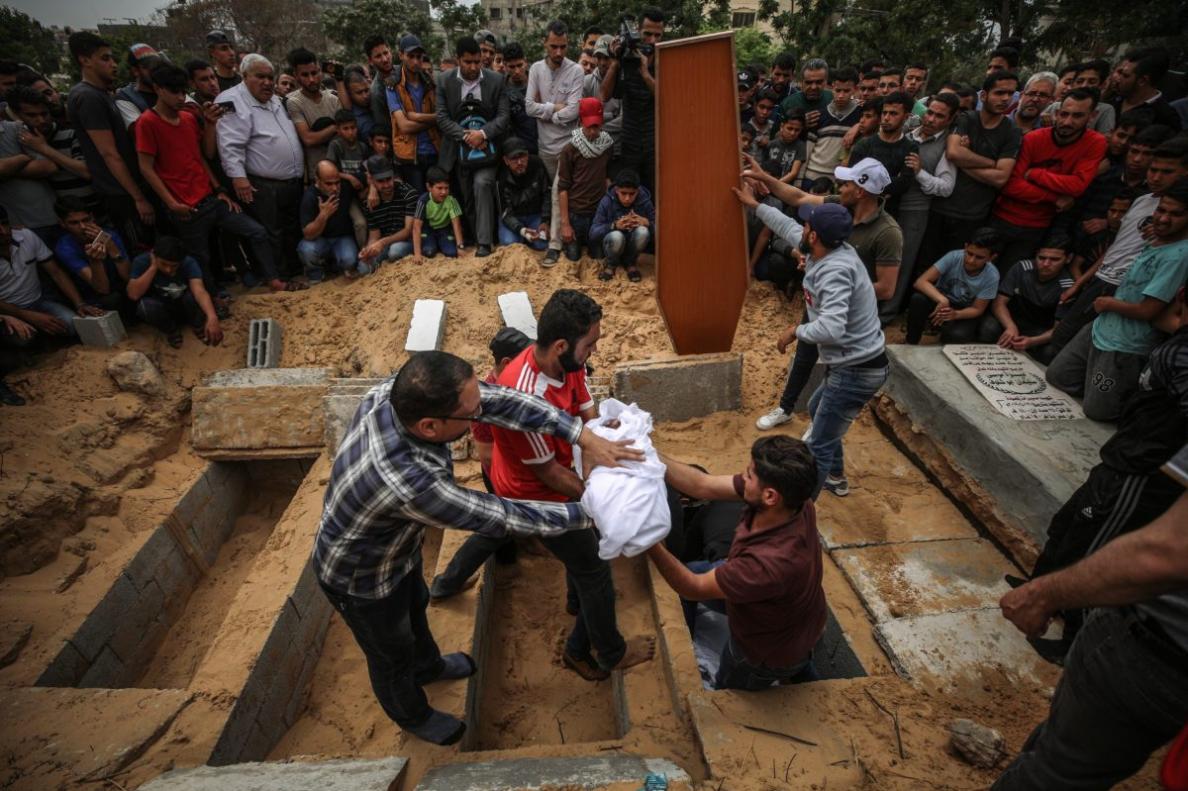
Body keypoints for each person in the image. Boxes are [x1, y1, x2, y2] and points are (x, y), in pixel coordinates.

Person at [313, 349, 642, 745]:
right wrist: (593, 512)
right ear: (430, 427)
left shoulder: (394, 395)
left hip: (397, 550)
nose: (480, 414)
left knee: (416, 605)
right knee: (391, 652)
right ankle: (414, 714)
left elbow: (503, 401)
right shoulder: (409, 482)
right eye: (470, 415)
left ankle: (429, 666)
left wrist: (580, 434)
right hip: (359, 576)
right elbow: (500, 516)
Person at [489, 290, 656, 680]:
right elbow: (548, 474)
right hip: (534, 494)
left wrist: (603, 436)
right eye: (590, 345)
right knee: (595, 571)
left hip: (559, 469)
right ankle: (602, 652)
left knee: (583, 557)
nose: (593, 352)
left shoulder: (569, 363)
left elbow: (586, 415)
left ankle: (576, 601)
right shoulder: (524, 398)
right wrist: (600, 500)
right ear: (561, 345)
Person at [735, 176, 888, 497]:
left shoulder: (835, 271)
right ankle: (836, 478)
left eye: (807, 226)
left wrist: (795, 330)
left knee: (818, 443)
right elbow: (787, 227)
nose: (802, 228)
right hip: (850, 364)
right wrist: (755, 206)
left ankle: (800, 513)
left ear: (815, 235)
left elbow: (831, 328)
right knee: (820, 412)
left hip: (857, 370)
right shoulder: (828, 249)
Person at [649, 435, 825, 690]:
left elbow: (693, 587)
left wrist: (649, 542)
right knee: (795, 652)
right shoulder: (796, 502)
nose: (743, 477)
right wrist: (648, 452)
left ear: (770, 496)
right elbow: (702, 485)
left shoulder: (764, 566)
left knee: (733, 687)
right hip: (797, 619)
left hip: (762, 652)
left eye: (749, 475)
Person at [138, 63, 290, 294]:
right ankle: (213, 298)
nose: (180, 97)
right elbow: (146, 168)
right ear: (158, 89)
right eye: (174, 92)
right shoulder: (147, 122)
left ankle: (273, 279)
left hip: (210, 197)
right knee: (200, 255)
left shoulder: (188, 118)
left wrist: (219, 189)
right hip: (185, 205)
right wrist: (171, 203)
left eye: (183, 91)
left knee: (256, 231)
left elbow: (203, 155)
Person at [1046, 180, 1188, 422]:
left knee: (1097, 411)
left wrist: (1108, 304)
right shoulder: (1154, 238)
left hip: (1127, 343)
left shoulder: (1179, 256)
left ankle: (1118, 395)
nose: (1164, 218)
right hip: (1102, 327)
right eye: (1161, 210)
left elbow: (1148, 310)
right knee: (1057, 376)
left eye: (1176, 214)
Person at [1051, 139, 1188, 354]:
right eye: (1153, 170)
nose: (1156, 177)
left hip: (1129, 292)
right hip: (1102, 279)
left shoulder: (1176, 227)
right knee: (1064, 338)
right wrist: (1081, 282)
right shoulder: (1142, 200)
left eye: (1167, 172)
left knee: (1098, 350)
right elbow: (1116, 248)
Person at [430, 327, 535, 600]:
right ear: (507, 363)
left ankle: (509, 557)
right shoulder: (484, 399)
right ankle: (447, 583)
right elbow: (487, 455)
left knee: (504, 532)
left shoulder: (514, 386)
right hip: (502, 475)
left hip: (517, 472)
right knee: (496, 529)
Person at [990, 88, 1107, 273]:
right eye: (1064, 114)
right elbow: (1011, 185)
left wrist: (1035, 174)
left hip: (1038, 227)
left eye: (1077, 116)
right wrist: (1055, 197)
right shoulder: (1033, 138)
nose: (1067, 122)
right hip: (1002, 217)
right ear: (1057, 112)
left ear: (1092, 116)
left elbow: (1077, 186)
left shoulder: (1095, 142)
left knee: (1010, 278)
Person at [216, 54, 306, 283]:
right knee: (271, 232)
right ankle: (278, 278)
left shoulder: (274, 99)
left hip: (290, 182)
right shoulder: (231, 100)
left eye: (270, 77)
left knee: (290, 229)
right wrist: (238, 177)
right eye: (260, 77)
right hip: (262, 183)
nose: (267, 82)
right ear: (244, 76)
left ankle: (294, 272)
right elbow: (230, 144)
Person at [920, 70, 1021, 270]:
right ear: (984, 95)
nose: (1005, 98)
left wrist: (965, 159)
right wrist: (991, 162)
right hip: (939, 208)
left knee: (954, 272)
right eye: (999, 92)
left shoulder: (1012, 132)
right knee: (923, 267)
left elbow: (1001, 178)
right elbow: (953, 153)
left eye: (1010, 93)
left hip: (973, 216)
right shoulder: (966, 118)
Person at [66, 32, 155, 251]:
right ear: (84, 60)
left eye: (112, 58)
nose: (113, 64)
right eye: (105, 58)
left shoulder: (103, 94)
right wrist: (138, 197)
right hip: (121, 194)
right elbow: (109, 153)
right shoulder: (87, 97)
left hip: (129, 189)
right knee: (143, 249)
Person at [882, 92, 958, 322]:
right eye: (930, 113)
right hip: (888, 204)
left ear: (950, 119)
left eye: (939, 116)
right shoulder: (908, 135)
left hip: (915, 211)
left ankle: (887, 313)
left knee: (901, 263)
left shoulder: (948, 146)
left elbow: (946, 188)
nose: (931, 119)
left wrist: (919, 172)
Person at [436, 37, 510, 257]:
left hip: (488, 149)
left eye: (477, 62)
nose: (474, 67)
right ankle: (473, 237)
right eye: (468, 62)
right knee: (466, 194)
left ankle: (485, 243)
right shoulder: (444, 80)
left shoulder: (496, 80)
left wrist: (483, 134)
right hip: (458, 151)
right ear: (458, 59)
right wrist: (467, 136)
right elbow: (442, 117)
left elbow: (503, 116)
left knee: (482, 183)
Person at [0, 205, 106, 341]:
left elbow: (56, 273)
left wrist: (80, 304)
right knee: (23, 338)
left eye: (5, 223)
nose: (3, 231)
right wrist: (25, 315)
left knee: (71, 325)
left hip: (38, 300)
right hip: (6, 311)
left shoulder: (26, 236)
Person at [526, 21, 584, 266]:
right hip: (544, 146)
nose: (558, 52)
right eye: (554, 46)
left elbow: (573, 112)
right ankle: (565, 237)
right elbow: (529, 107)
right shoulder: (536, 69)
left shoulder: (577, 70)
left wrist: (547, 112)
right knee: (554, 195)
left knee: (558, 191)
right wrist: (556, 108)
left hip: (567, 145)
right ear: (545, 44)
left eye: (563, 46)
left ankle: (554, 245)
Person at [978, 232, 1075, 364]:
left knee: (1049, 353)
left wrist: (1032, 341)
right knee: (987, 329)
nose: (1046, 264)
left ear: (1068, 259)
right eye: (1041, 258)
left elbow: (1058, 329)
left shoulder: (1068, 286)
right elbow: (999, 303)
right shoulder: (1021, 268)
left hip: (1038, 329)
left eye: (1054, 259)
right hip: (1012, 319)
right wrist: (1010, 326)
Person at [601, 6, 664, 194]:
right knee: (628, 195)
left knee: (656, 194)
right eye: (647, 34)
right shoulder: (626, 55)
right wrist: (615, 61)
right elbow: (604, 95)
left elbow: (667, 99)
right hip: (629, 142)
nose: (652, 40)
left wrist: (645, 73)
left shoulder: (666, 58)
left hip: (656, 144)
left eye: (658, 35)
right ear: (638, 30)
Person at [906, 227, 1001, 344]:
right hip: (941, 301)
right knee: (918, 299)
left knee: (956, 336)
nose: (971, 260)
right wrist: (942, 299)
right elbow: (920, 281)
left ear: (991, 258)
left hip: (964, 310)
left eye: (979, 257)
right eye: (969, 253)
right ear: (965, 247)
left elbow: (977, 309)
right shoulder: (954, 256)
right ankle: (911, 342)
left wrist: (956, 314)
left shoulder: (992, 276)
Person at [126, 235, 223, 348]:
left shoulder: (188, 262)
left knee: (192, 297)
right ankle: (172, 331)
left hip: (184, 304)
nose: (168, 269)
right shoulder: (141, 261)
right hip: (161, 308)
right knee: (145, 306)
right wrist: (153, 268)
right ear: (154, 256)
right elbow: (133, 294)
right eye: (163, 264)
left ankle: (198, 326)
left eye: (174, 266)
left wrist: (212, 317)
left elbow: (199, 291)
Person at [557, 98, 614, 261]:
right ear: (581, 122)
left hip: (598, 213)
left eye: (596, 126)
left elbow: (608, 178)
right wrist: (565, 224)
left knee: (598, 256)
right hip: (576, 213)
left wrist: (609, 210)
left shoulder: (607, 146)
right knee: (573, 257)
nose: (593, 132)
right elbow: (563, 188)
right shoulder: (570, 149)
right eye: (589, 127)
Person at [52, 196, 131, 314]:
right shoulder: (65, 248)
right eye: (74, 223)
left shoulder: (109, 235)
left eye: (86, 220)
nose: (83, 227)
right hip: (94, 296)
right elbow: (103, 289)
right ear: (62, 224)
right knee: (111, 300)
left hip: (121, 286)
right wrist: (95, 262)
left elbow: (128, 277)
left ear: (92, 217)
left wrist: (111, 247)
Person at [848, 90, 919, 213]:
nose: (886, 118)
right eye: (884, 113)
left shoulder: (910, 148)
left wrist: (868, 179)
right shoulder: (865, 144)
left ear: (906, 117)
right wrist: (889, 181)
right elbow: (852, 177)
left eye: (893, 113)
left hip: (888, 212)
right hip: (857, 209)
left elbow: (903, 184)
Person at [0, 100, 60, 244]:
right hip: (16, 228)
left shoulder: (15, 128)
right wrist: (22, 158)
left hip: (50, 216)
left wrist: (7, 167)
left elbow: (49, 166)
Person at [387, 35, 440, 194]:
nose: (416, 61)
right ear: (401, 55)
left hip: (434, 149)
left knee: (437, 201)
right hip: (410, 155)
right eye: (411, 56)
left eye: (419, 57)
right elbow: (404, 126)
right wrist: (435, 119)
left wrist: (416, 117)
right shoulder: (393, 86)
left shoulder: (430, 83)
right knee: (417, 202)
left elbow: (442, 116)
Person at [299, 160, 363, 280]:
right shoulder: (310, 196)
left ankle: (333, 268)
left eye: (337, 182)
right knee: (307, 250)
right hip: (319, 240)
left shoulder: (345, 186)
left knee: (349, 260)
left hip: (342, 238)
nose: (334, 188)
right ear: (318, 180)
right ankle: (316, 276)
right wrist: (323, 215)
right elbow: (308, 234)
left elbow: (367, 179)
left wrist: (372, 190)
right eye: (328, 184)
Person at [285, 48, 341, 180]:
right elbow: (308, 139)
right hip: (317, 175)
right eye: (305, 75)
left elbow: (348, 121)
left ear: (320, 71)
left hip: (341, 170)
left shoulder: (332, 98)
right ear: (296, 76)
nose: (311, 79)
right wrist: (336, 127)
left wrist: (340, 77)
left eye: (314, 73)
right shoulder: (294, 102)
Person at [590, 168, 654, 282]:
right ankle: (611, 264)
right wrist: (614, 226)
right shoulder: (607, 201)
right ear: (616, 190)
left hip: (632, 246)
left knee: (643, 232)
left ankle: (630, 263)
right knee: (616, 236)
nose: (627, 198)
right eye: (623, 193)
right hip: (612, 245)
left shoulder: (645, 201)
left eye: (632, 194)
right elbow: (593, 233)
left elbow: (661, 231)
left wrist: (648, 223)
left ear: (638, 191)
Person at [801, 67, 862, 184]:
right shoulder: (819, 115)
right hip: (812, 175)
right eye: (838, 90)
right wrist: (799, 180)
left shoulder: (861, 115)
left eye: (846, 91)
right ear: (832, 87)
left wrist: (859, 125)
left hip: (840, 179)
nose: (841, 95)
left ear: (855, 89)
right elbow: (808, 150)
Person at [359, 155, 417, 267]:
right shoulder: (369, 203)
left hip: (406, 241)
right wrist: (368, 250)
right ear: (372, 180)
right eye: (380, 181)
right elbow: (374, 236)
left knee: (395, 251)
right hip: (386, 243)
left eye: (389, 179)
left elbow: (408, 231)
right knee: (363, 267)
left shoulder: (408, 193)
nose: (386, 185)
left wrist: (382, 242)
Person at [1106, 48, 1182, 131]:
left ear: (1142, 80)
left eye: (1125, 76)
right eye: (1120, 72)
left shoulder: (1164, 117)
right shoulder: (1112, 99)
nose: (1118, 79)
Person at [496, 135, 551, 251]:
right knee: (510, 244)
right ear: (506, 160)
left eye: (522, 156)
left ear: (528, 154)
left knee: (542, 243)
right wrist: (521, 230)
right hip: (513, 216)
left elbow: (547, 193)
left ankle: (527, 238)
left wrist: (545, 220)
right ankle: (521, 237)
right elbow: (505, 212)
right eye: (514, 159)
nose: (519, 162)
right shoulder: (501, 175)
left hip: (535, 215)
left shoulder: (537, 164)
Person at [413, 166, 464, 258]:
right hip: (428, 230)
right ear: (429, 187)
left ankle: (441, 243)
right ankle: (433, 243)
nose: (443, 192)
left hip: (444, 230)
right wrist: (417, 254)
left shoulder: (451, 199)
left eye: (446, 188)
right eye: (439, 188)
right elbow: (416, 227)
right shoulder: (423, 201)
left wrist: (460, 246)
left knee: (451, 253)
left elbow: (456, 224)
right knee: (429, 252)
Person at [774, 58, 831, 133]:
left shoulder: (833, 100)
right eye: (808, 82)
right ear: (801, 82)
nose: (813, 87)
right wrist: (798, 126)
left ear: (826, 81)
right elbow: (775, 136)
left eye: (819, 82)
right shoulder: (788, 104)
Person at [502, 43, 538, 156]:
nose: (517, 71)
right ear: (505, 65)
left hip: (544, 144)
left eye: (520, 65)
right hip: (519, 150)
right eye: (512, 67)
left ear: (525, 62)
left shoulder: (538, 80)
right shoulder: (501, 88)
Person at [114, 44, 161, 129]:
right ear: (135, 70)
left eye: (158, 65)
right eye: (149, 66)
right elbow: (141, 130)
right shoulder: (126, 97)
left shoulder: (168, 88)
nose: (155, 70)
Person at [364, 35, 397, 143]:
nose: (384, 59)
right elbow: (385, 129)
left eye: (386, 53)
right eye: (378, 56)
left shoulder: (405, 71)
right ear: (370, 61)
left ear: (390, 51)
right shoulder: (376, 93)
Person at [326, 109, 368, 192]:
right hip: (342, 188)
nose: (350, 132)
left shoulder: (362, 147)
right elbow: (329, 171)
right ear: (338, 130)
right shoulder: (335, 145)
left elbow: (367, 171)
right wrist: (350, 178)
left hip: (359, 187)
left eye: (353, 128)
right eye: (345, 129)